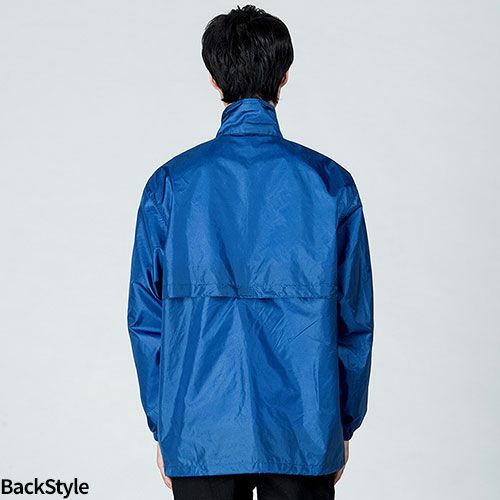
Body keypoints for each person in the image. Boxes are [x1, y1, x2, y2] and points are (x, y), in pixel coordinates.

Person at [127, 5, 374, 500]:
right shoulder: (330, 185)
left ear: (214, 80)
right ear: (284, 77)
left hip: (199, 431)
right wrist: (341, 424)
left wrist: (166, 426)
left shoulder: (171, 185)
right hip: (305, 427)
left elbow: (146, 321)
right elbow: (355, 321)